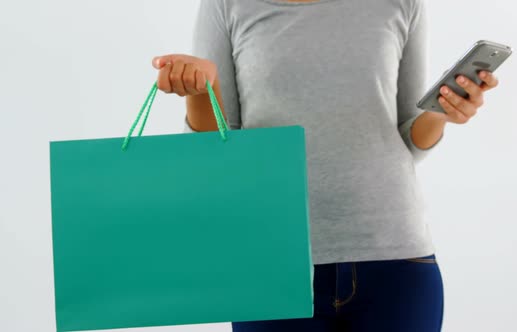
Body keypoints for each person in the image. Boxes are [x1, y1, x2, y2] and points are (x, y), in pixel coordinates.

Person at [151, 0, 499, 331]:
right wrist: (200, 90)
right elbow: (218, 154)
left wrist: (445, 112)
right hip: (273, 263)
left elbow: (407, 138)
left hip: (396, 259)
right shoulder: (228, 5)